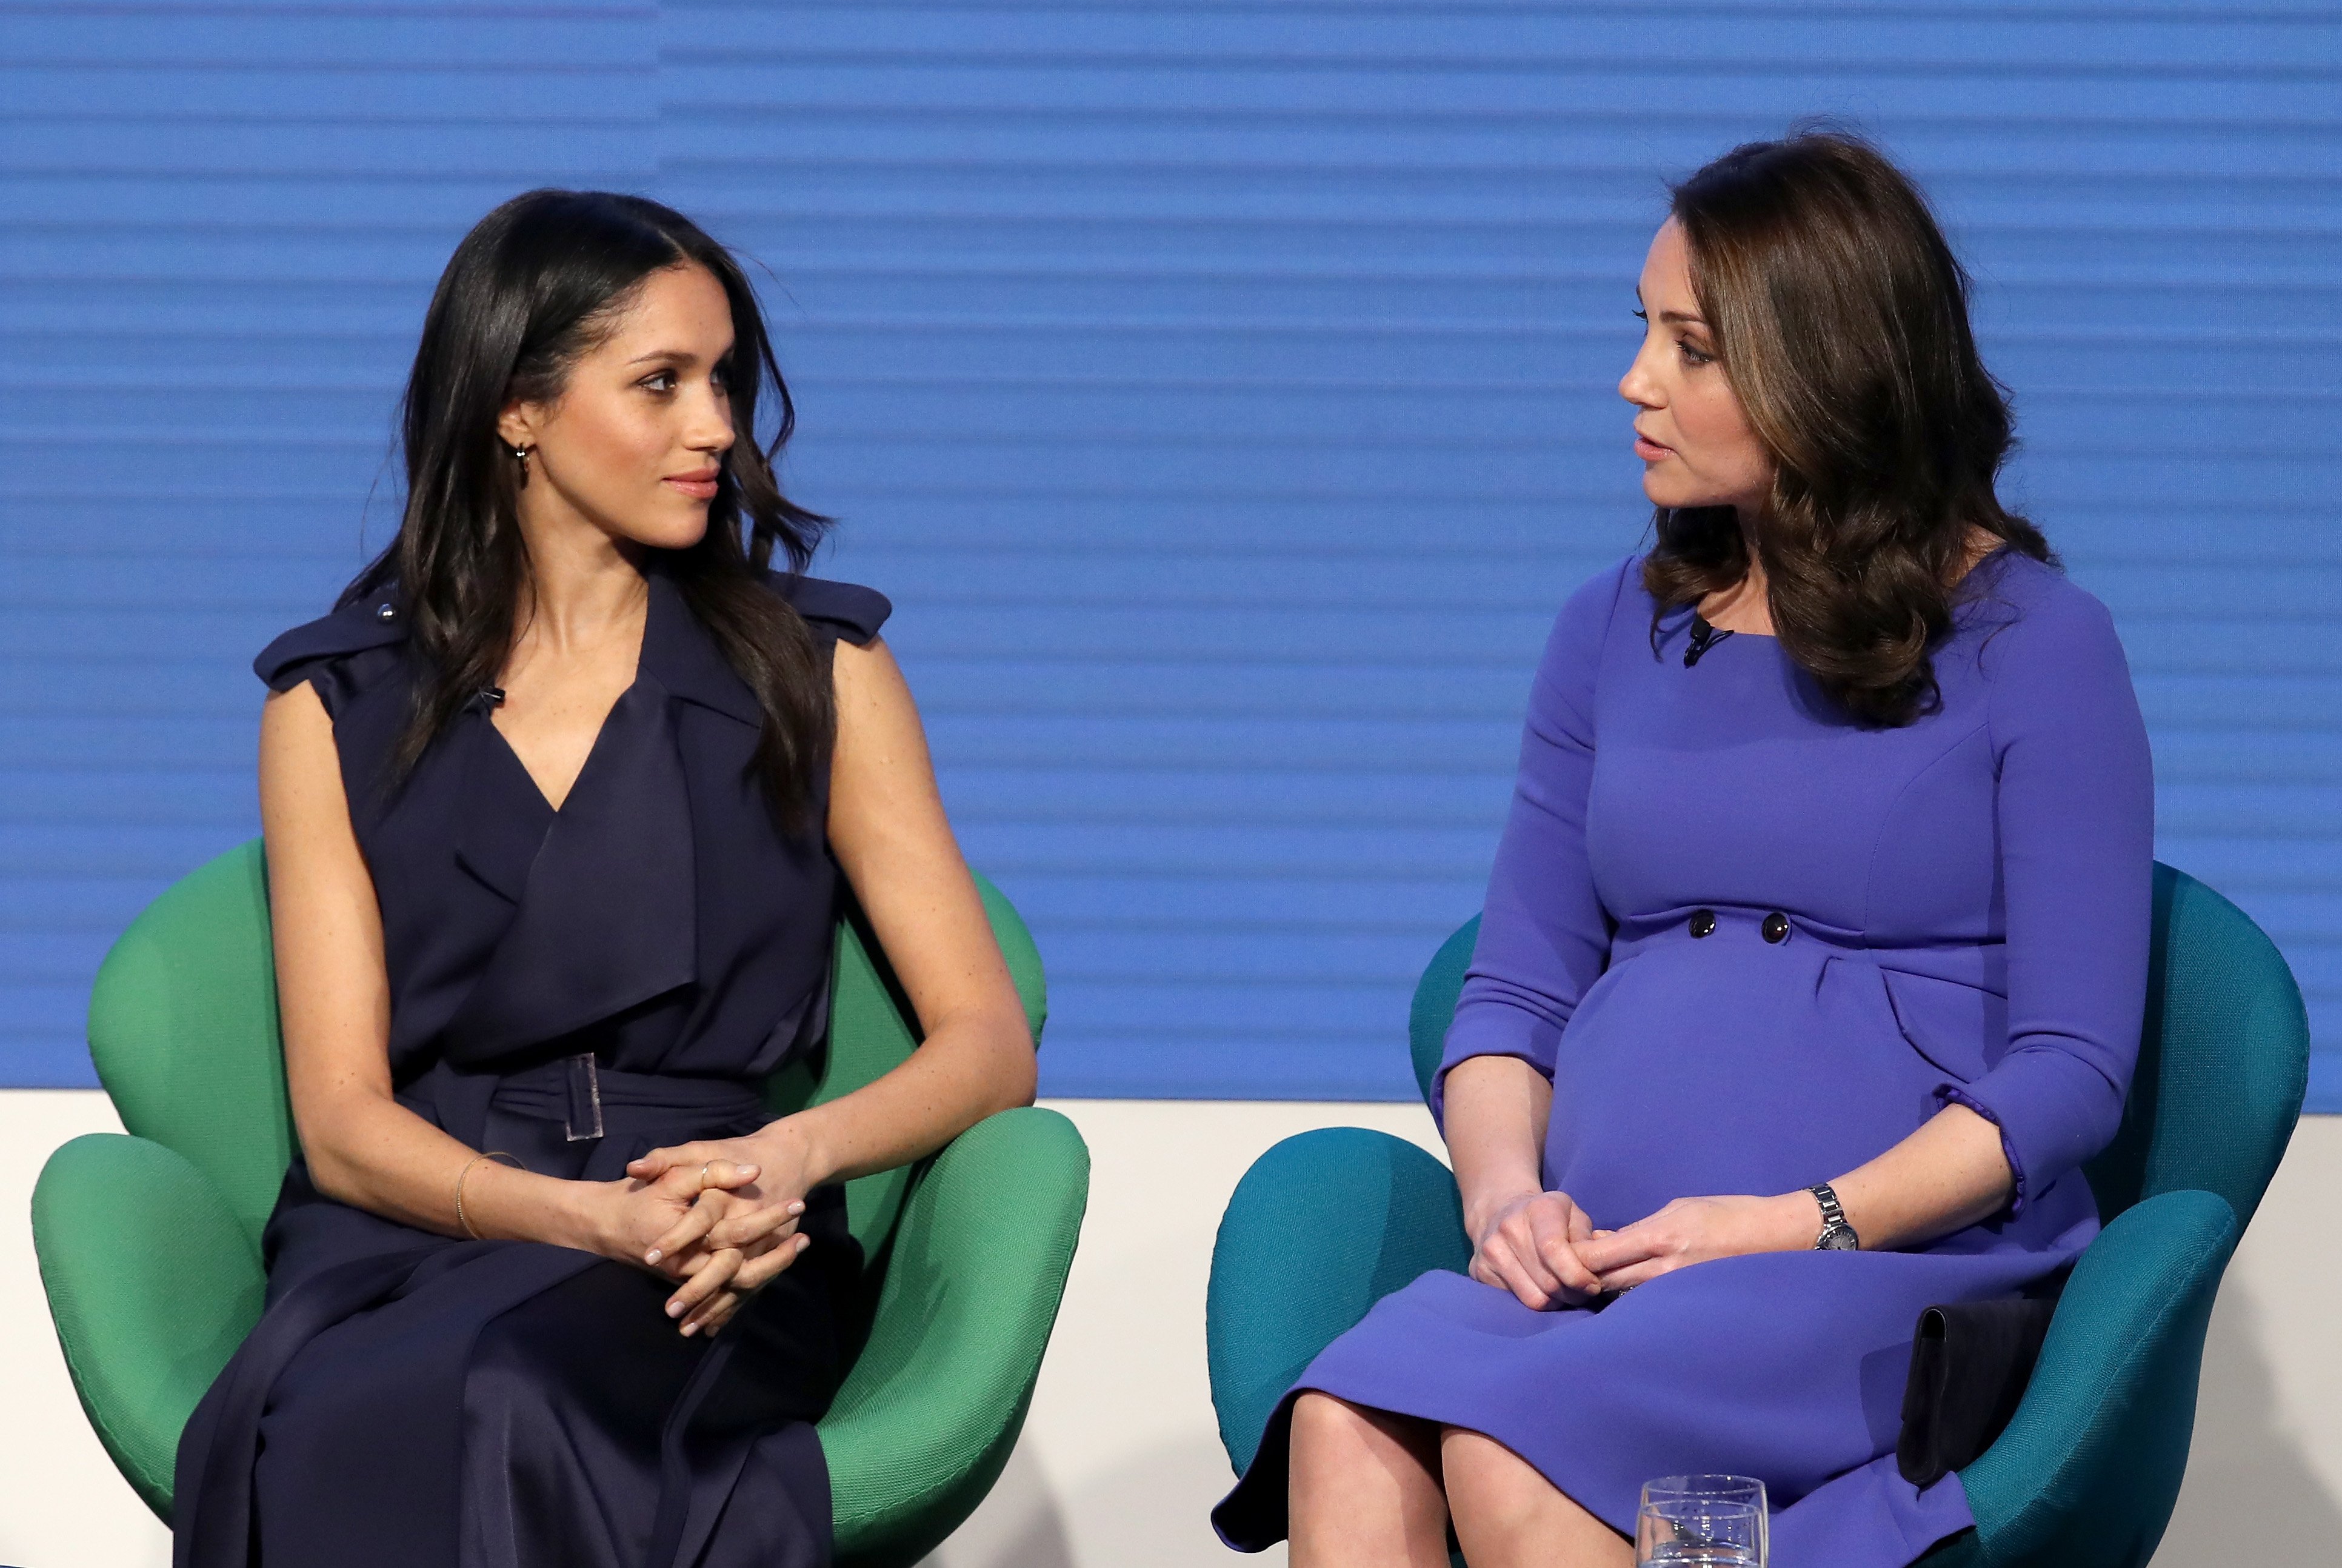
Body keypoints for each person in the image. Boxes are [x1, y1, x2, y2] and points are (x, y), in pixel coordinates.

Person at [1210, 131, 2155, 1567]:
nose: (1634, 381)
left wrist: (1804, 1220)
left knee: (1510, 1442)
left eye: (1690, 346)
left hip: (1871, 1271)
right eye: (1642, 331)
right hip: (1605, 1265)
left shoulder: (2039, 646)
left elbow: (2073, 1070)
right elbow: (1513, 993)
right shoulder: (1614, 628)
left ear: (1827, 365)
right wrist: (1506, 1200)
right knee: (1343, 1415)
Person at [173, 190, 1039, 1568]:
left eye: (724, 382)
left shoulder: (820, 671)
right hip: (422, 1225)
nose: (716, 429)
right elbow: (340, 1121)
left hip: (712, 1236)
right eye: (662, 384)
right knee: (361, 1409)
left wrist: (787, 1156)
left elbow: (991, 1046)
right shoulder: (331, 700)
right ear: (517, 406)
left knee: (515, 1390)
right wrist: (582, 1219)